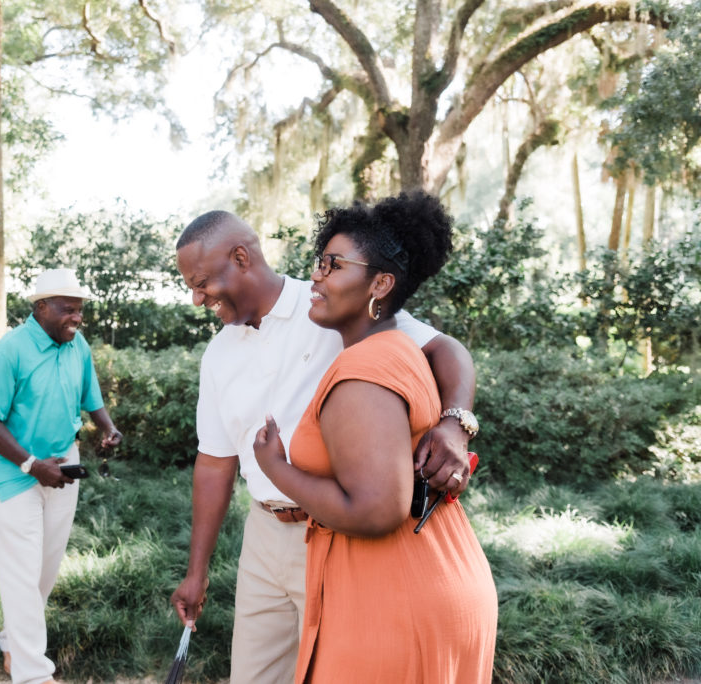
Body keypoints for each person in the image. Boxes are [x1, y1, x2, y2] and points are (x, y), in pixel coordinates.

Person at [170, 210, 479, 684]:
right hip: (263, 534)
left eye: (202, 282)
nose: (196, 298)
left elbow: (446, 350)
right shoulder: (218, 355)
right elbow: (214, 462)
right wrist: (197, 571)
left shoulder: (336, 307)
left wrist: (456, 423)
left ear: (240, 257)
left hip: (337, 534)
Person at [253, 193, 497, 682]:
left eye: (334, 264)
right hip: (440, 572)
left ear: (380, 283)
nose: (316, 276)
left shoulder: (362, 369)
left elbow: (375, 510)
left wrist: (277, 469)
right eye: (319, 262)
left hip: (394, 596)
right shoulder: (399, 350)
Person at [0, 268, 122, 684]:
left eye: (80, 311)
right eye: (68, 310)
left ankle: (12, 643)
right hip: (16, 473)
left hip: (62, 468)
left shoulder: (77, 345)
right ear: (41, 308)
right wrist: (31, 465)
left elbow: (92, 398)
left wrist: (107, 428)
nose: (77, 318)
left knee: (43, 571)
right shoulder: (10, 352)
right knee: (20, 571)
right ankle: (34, 674)